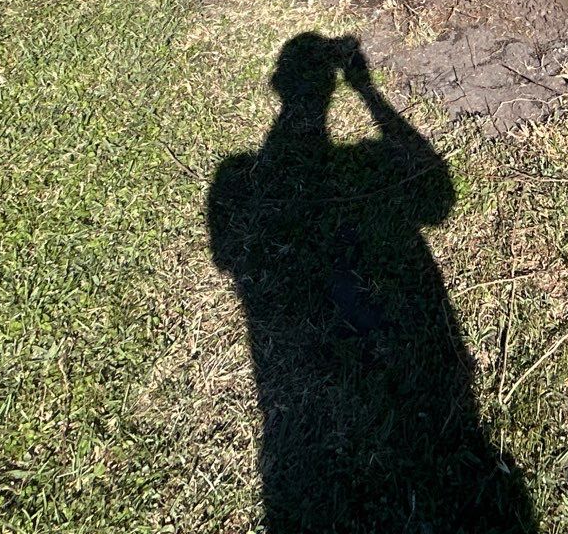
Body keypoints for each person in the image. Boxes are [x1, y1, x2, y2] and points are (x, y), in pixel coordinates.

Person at [208, 33, 532, 533]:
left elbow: (231, 254)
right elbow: (436, 197)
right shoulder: (254, 172)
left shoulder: (242, 174)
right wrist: (366, 90)